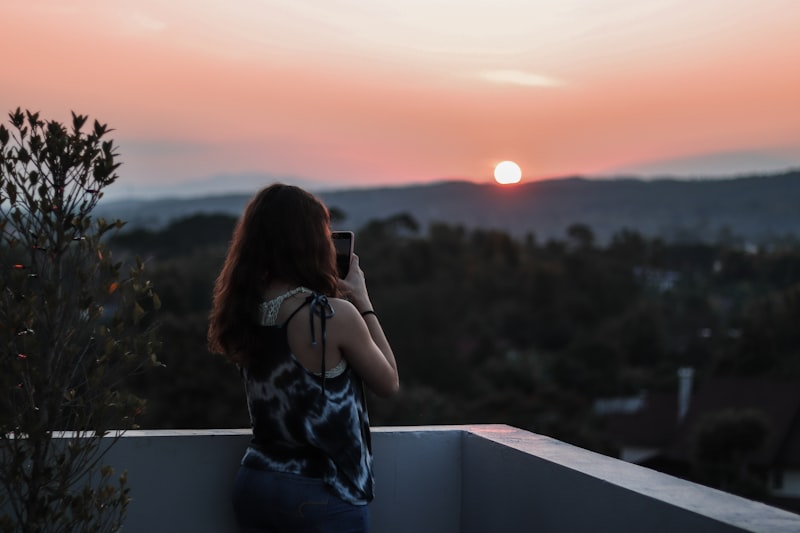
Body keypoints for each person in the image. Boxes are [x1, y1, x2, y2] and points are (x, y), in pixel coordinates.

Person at [207, 183, 399, 533]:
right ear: (309, 241)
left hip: (256, 481)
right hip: (321, 491)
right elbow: (388, 381)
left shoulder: (243, 310)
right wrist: (363, 301)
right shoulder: (332, 316)